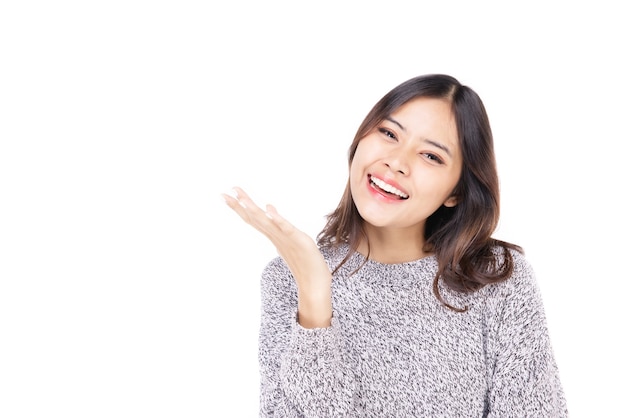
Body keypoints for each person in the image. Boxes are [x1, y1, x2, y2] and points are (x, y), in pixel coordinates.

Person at [222, 74, 568, 417]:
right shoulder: (289, 278)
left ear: (456, 192)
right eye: (388, 134)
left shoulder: (496, 278)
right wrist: (314, 299)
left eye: (431, 156)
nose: (396, 163)